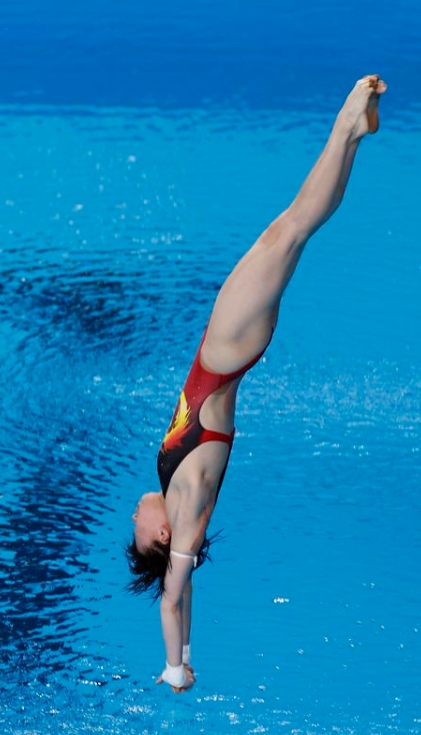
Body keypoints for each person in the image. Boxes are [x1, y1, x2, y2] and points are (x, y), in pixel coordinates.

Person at [127, 75, 387, 693]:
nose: (133, 517)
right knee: (292, 225)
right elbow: (171, 597)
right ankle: (348, 123)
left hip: (229, 353)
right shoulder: (184, 515)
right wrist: (174, 668)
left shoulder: (179, 502)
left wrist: (186, 649)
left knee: (296, 230)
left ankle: (354, 133)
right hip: (226, 353)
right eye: (136, 533)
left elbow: (180, 600)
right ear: (160, 535)